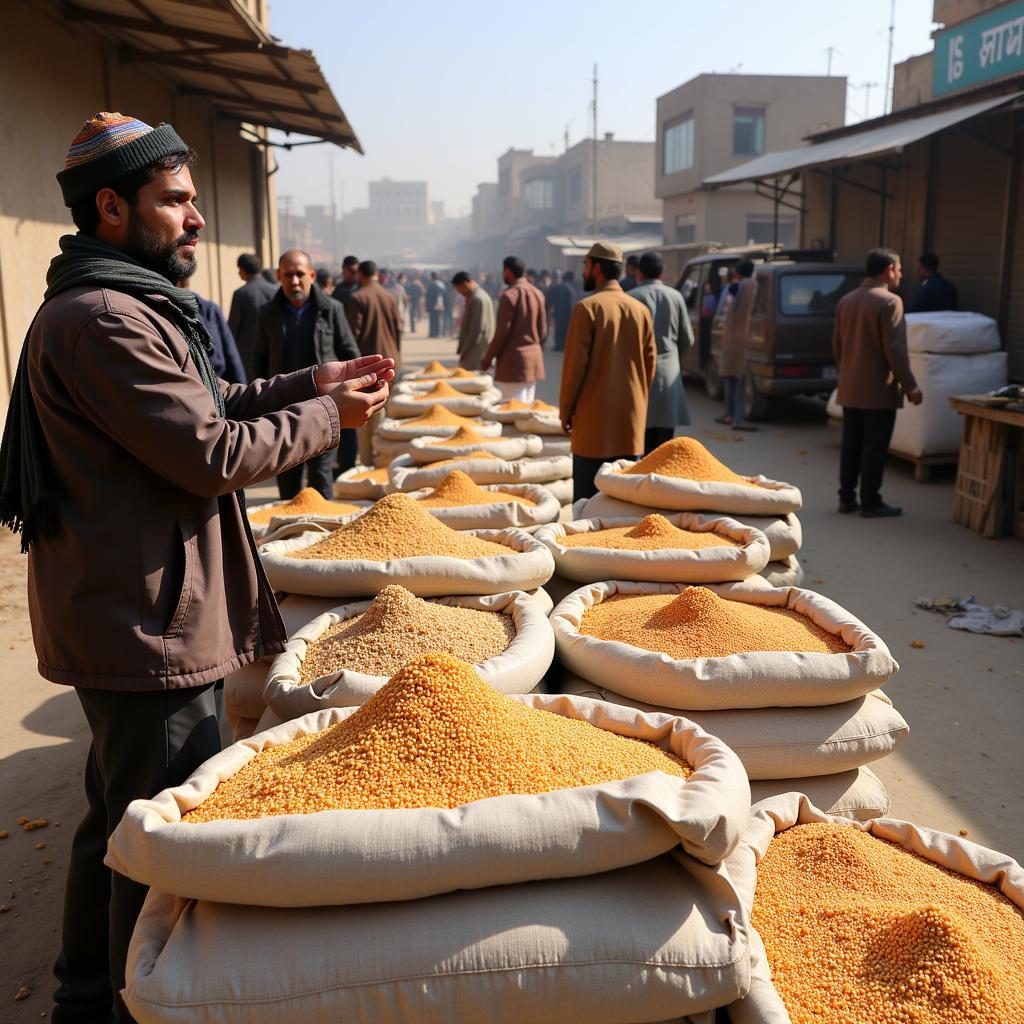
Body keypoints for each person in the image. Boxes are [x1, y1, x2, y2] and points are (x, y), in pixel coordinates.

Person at [0, 112, 393, 1024]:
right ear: (111, 207)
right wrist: (333, 424)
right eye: (175, 201)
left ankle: (88, 992)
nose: (196, 220)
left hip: (136, 609)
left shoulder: (126, 302)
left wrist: (316, 384)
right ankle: (143, 1000)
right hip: (146, 623)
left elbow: (213, 398)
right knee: (161, 839)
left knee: (115, 819)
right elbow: (211, 450)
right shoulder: (104, 318)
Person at [254, 249, 362, 493]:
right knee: (288, 482)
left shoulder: (331, 309)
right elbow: (259, 358)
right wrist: (259, 402)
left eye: (300, 274)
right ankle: (291, 531)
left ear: (312, 275)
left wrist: (352, 392)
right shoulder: (268, 313)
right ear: (279, 276)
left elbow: (349, 352)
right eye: (288, 275)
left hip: (323, 408)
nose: (294, 281)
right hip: (283, 413)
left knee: (321, 480)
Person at [560, 242, 656, 501]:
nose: (583, 271)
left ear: (597, 267)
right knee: (623, 506)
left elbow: (574, 370)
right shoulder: (640, 310)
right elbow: (650, 366)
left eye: (585, 265)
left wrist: (565, 411)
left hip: (593, 427)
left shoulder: (587, 308)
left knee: (586, 504)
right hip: (629, 426)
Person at [833, 247, 923, 518]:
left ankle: (846, 498)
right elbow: (894, 350)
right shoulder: (889, 302)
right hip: (878, 390)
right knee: (874, 447)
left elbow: (837, 346)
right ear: (889, 270)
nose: (901, 275)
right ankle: (871, 501)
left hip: (850, 387)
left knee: (851, 443)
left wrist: (847, 373)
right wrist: (910, 386)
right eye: (899, 269)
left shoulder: (846, 301)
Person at [629, 251, 693, 454]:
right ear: (662, 273)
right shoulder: (676, 297)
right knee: (665, 448)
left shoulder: (630, 298)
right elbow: (687, 339)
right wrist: (675, 358)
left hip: (639, 375)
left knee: (643, 446)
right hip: (669, 374)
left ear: (638, 272)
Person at [345, 259, 403, 466]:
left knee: (366, 414)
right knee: (383, 409)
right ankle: (384, 460)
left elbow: (352, 336)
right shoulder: (389, 296)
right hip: (390, 360)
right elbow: (398, 329)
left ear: (360, 275)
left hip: (368, 365)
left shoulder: (357, 297)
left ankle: (369, 462)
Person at [481, 256, 547, 403]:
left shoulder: (509, 296)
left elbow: (501, 333)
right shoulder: (538, 294)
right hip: (533, 361)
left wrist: (487, 358)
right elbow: (543, 331)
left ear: (507, 271)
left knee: (512, 410)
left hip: (513, 364)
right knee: (527, 408)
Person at [717, 259, 758, 431]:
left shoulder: (733, 287)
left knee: (730, 377)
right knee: (739, 378)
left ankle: (730, 415)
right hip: (745, 338)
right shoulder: (755, 286)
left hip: (730, 336)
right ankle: (738, 419)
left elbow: (723, 308)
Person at [184, 280, 246, 384]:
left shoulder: (209, 309)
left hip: (217, 384)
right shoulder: (158, 312)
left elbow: (231, 355)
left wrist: (243, 393)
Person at [227, 252, 276, 380]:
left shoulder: (241, 294)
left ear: (242, 271)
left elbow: (232, 329)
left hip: (248, 356)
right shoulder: (275, 291)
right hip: (274, 352)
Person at [452, 270, 495, 370]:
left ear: (464, 284)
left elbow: (477, 330)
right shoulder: (480, 295)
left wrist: (465, 351)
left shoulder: (477, 299)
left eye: (459, 290)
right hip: (477, 349)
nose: (461, 293)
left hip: (476, 351)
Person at [548, 269, 579, 351]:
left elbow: (552, 300)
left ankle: (559, 345)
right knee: (567, 329)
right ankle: (566, 345)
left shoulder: (559, 286)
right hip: (571, 312)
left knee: (559, 329)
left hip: (560, 312)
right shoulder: (574, 286)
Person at [426, 271, 445, 337]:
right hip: (441, 304)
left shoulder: (431, 285)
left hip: (433, 305)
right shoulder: (441, 284)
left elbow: (429, 296)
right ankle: (439, 333)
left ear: (431, 277)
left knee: (433, 320)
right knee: (439, 319)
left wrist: (429, 306)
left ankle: (433, 333)